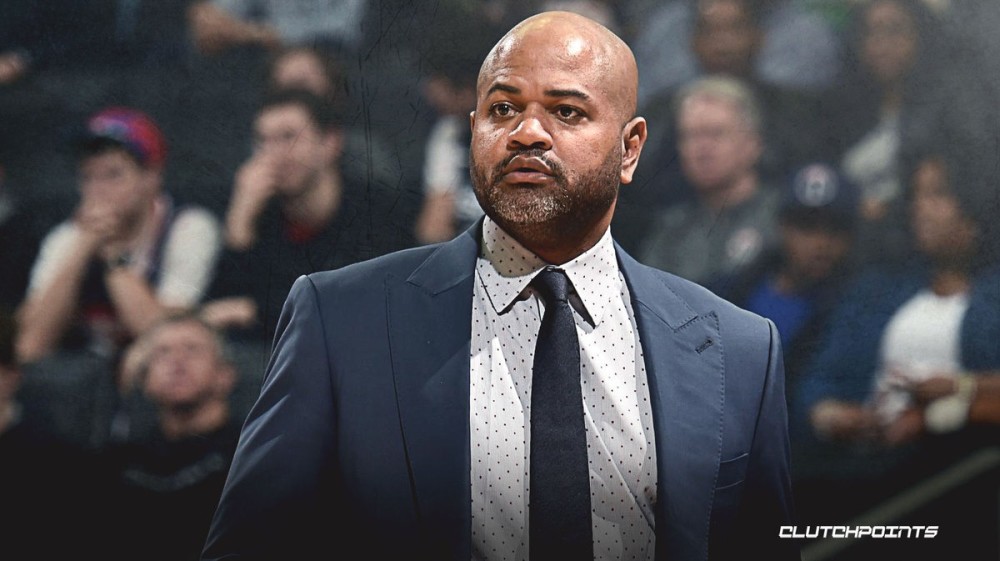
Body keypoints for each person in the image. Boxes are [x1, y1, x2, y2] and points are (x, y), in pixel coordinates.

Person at [203, 11, 796, 561]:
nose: (526, 132)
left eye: (567, 112)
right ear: (473, 130)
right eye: (503, 109)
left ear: (630, 148)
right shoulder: (340, 319)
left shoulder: (740, 349)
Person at [16, 107, 222, 363]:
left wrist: (112, 253)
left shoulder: (188, 227)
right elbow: (29, 346)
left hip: (152, 372)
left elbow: (163, 336)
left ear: (151, 177)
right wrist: (82, 248)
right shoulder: (67, 236)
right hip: (84, 371)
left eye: (113, 175)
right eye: (88, 177)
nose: (98, 190)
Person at [102, 313, 243, 561]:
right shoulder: (122, 461)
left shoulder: (249, 454)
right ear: (145, 380)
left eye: (193, 349)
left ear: (225, 375)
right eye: (163, 353)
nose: (177, 361)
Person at [711, 162, 859, 398]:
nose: (821, 243)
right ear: (783, 228)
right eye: (807, 227)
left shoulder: (853, 308)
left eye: (834, 229)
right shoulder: (735, 288)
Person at [638, 76, 782, 285]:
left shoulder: (782, 220)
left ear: (753, 144)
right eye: (690, 136)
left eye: (716, 134)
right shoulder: (671, 231)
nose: (702, 149)